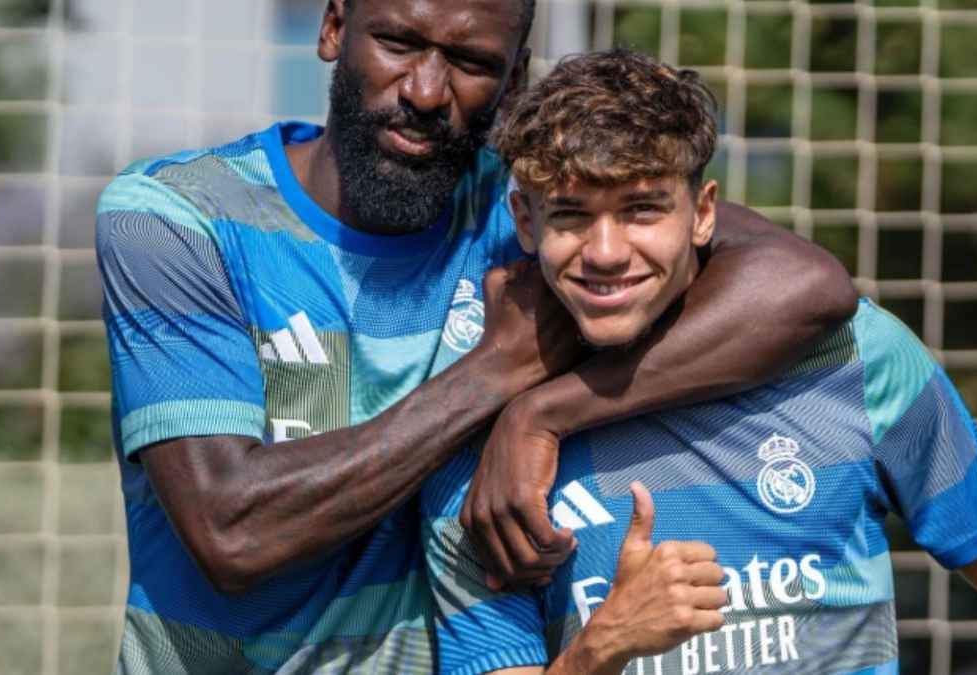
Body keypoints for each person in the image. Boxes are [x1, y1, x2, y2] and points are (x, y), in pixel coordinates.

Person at [95, 1, 856, 673]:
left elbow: (808, 285)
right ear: (334, 28)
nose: (426, 91)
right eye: (397, 42)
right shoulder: (177, 219)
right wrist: (492, 376)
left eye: (469, 62)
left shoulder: (528, 210)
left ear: (513, 81)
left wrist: (546, 411)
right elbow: (234, 532)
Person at [421, 49, 977, 675]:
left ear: (703, 213)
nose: (605, 251)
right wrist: (605, 644)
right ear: (526, 222)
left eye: (642, 209)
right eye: (571, 214)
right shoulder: (486, 455)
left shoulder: (855, 356)